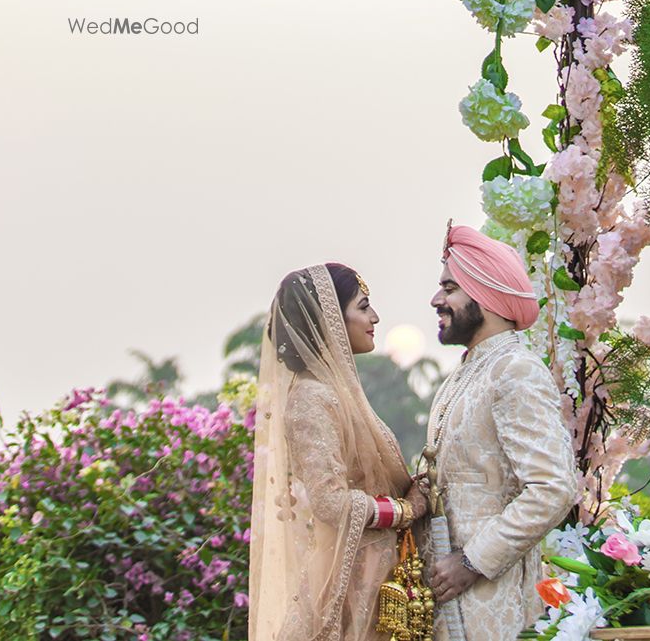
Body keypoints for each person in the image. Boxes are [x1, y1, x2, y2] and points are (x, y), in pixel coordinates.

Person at [248, 263, 428, 641]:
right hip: (346, 585)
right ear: (328, 319)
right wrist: (405, 510)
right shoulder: (312, 397)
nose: (375, 317)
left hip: (374, 574)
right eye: (363, 307)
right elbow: (330, 502)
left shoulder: (337, 393)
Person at [426, 224, 578, 641]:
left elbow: (554, 488)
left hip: (491, 599)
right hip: (449, 597)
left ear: (486, 297)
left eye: (450, 288)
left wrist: (472, 562)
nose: (437, 300)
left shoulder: (516, 370)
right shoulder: (466, 373)